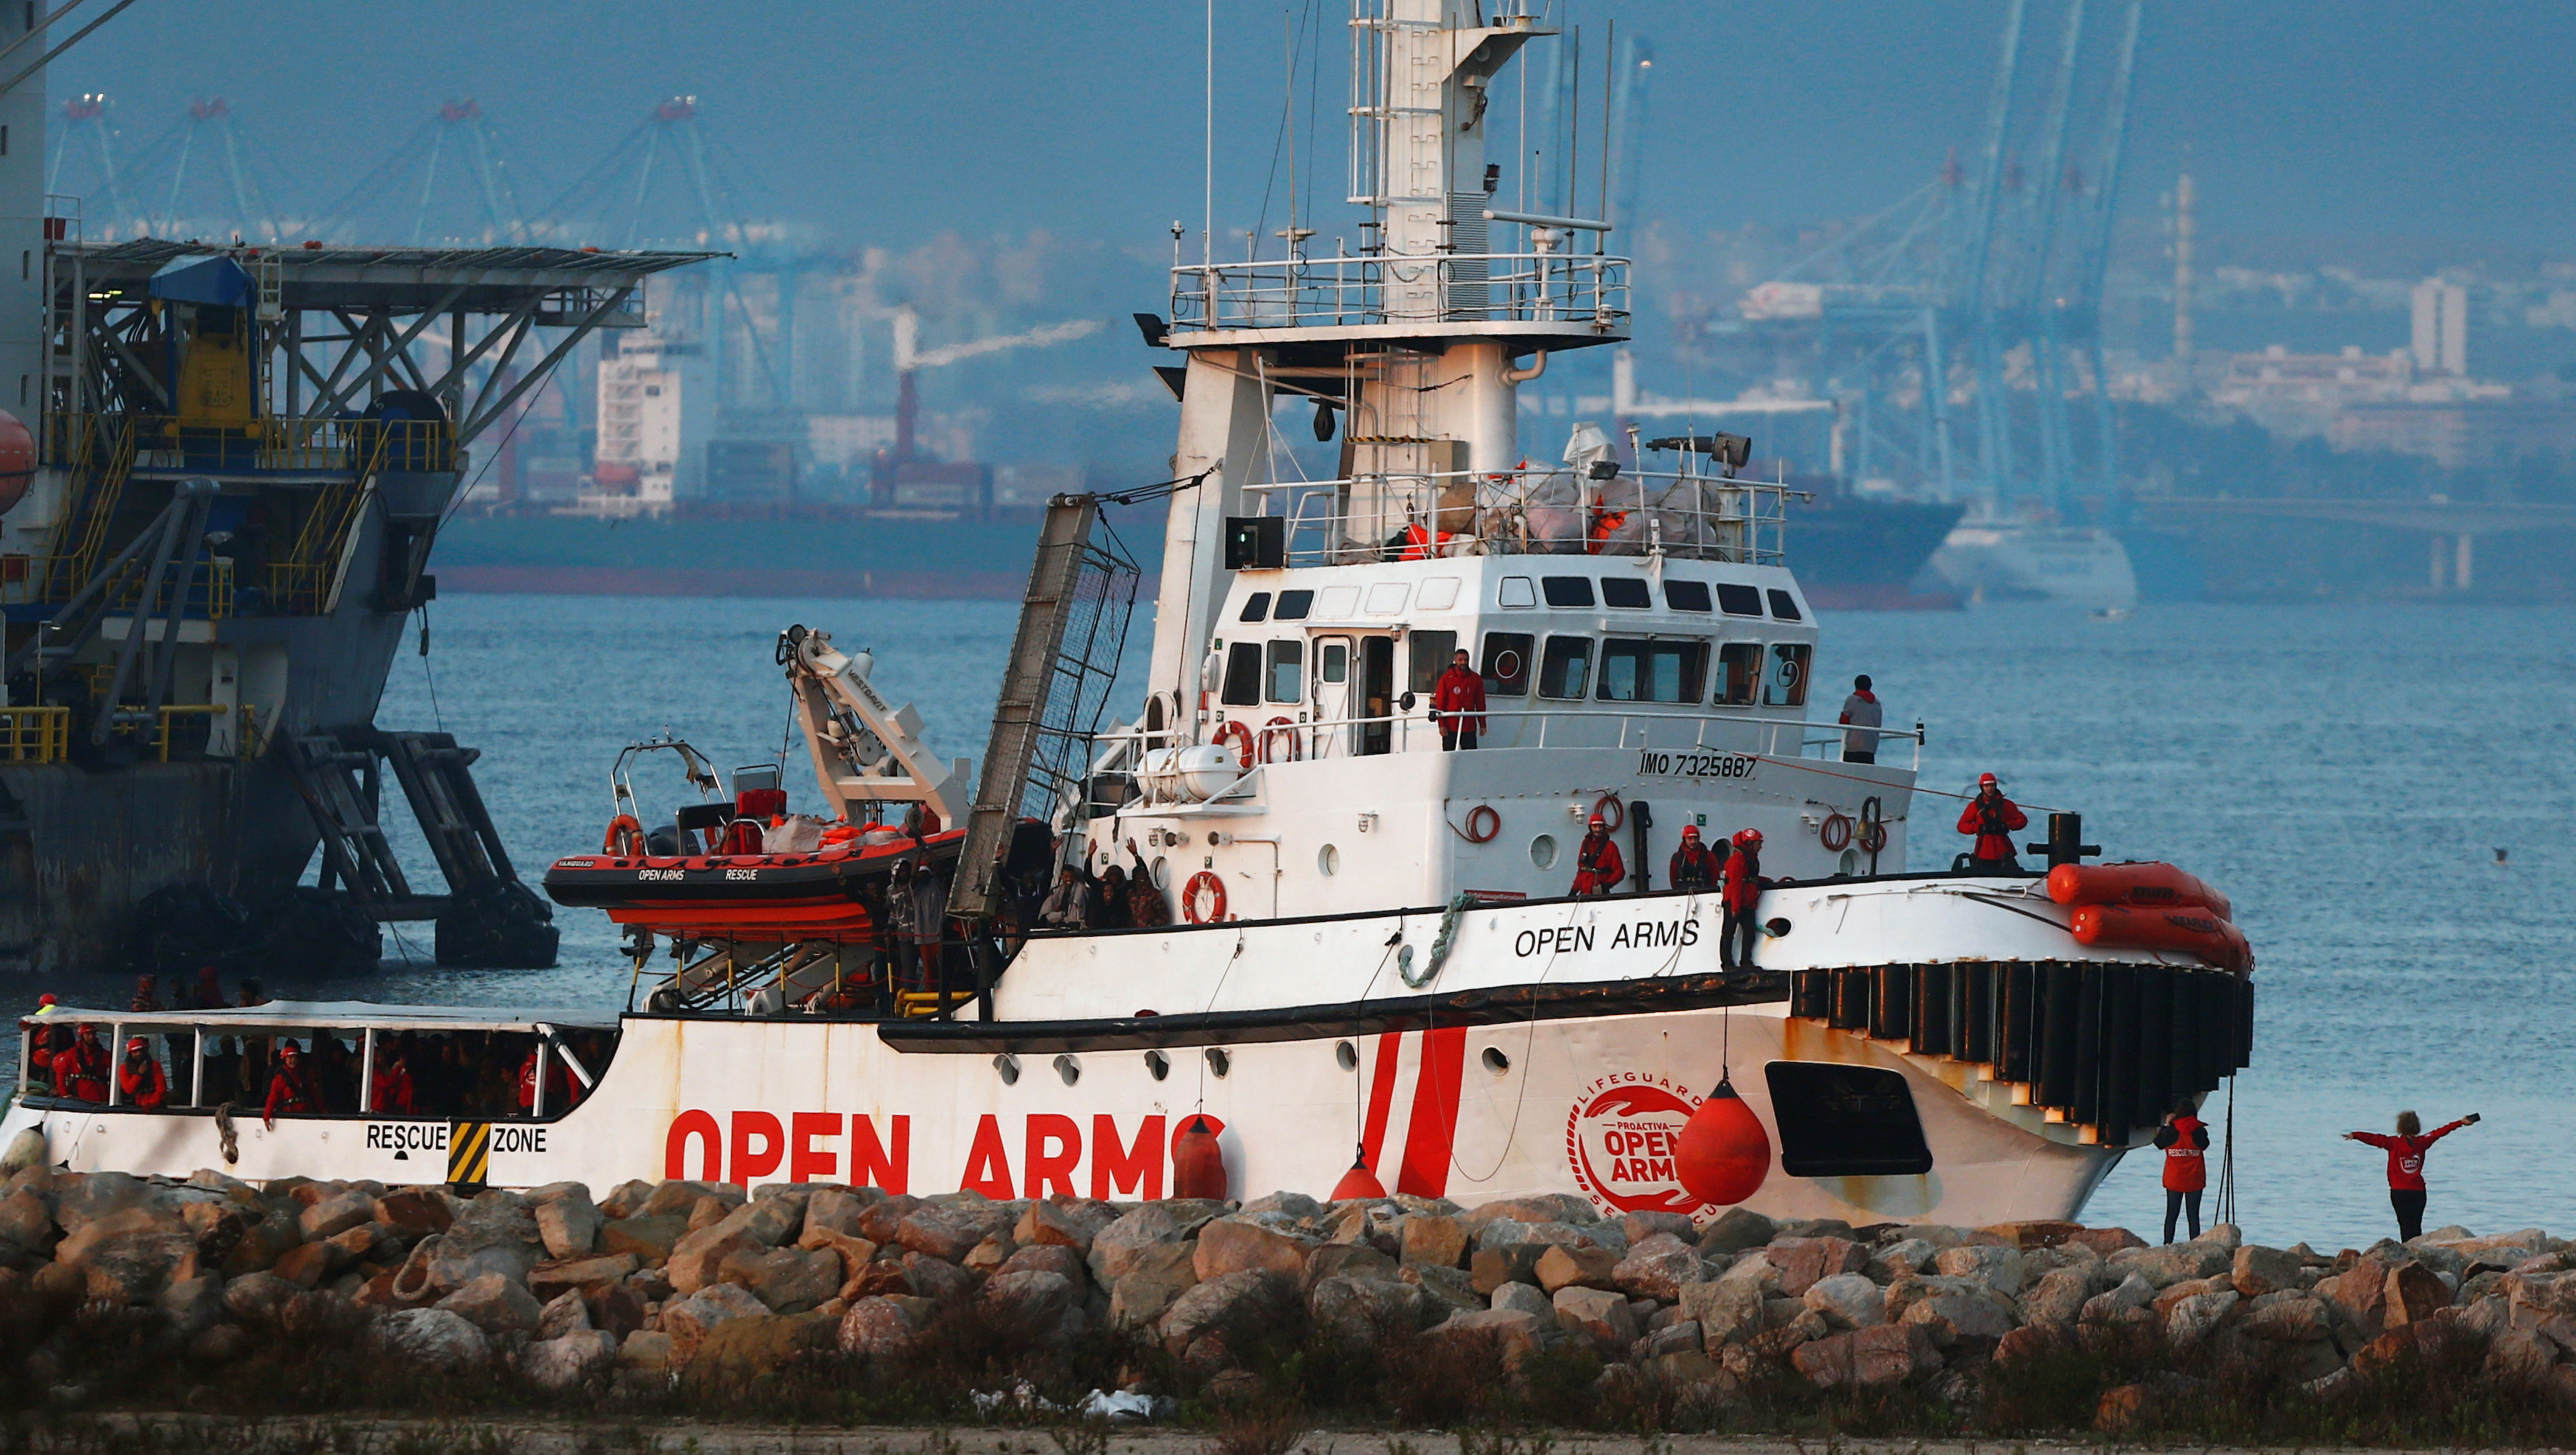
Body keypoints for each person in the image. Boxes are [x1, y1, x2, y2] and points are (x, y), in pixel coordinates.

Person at [2345, 1109, 2479, 1241]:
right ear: (2417, 1127)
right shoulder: (2423, 1141)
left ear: (2400, 1127)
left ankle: (2408, 1254)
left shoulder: (2393, 1143)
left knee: (2404, 1226)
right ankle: (2416, 1253)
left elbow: (2374, 1139)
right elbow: (2440, 1132)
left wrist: (2356, 1135)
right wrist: (2460, 1122)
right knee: (2416, 1227)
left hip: (2399, 1192)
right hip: (2418, 1192)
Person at [2152, 1100, 2210, 1242]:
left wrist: (2166, 1125)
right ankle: (2195, 1244)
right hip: (2195, 1178)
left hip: (2174, 1178)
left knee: (2172, 1214)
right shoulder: (2199, 1131)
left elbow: (2159, 1143)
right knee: (2193, 1216)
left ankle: (2167, 1244)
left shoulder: (2171, 1131)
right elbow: (2205, 1145)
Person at [1956, 772, 2028, 872]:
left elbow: (2022, 820)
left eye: (1992, 785)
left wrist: (2007, 825)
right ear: (1982, 787)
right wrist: (1979, 828)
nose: (1990, 788)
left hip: (2004, 850)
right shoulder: (1974, 806)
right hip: (1983, 851)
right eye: (1986, 786)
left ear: (1996, 786)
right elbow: (1961, 826)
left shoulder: (2006, 804)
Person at [1720, 829, 1767, 971]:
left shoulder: (1750, 858)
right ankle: (1727, 964)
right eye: (1759, 843)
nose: (1761, 847)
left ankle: (1746, 961)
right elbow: (1735, 883)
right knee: (1729, 932)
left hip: (1746, 901)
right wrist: (1735, 907)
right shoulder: (1738, 859)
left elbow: (1750, 879)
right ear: (1751, 843)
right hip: (1736, 901)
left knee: (1749, 932)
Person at [1431, 649, 1487, 751]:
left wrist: (1482, 724)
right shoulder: (1446, 679)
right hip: (1450, 726)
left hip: (1469, 726)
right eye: (1460, 660)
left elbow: (1480, 702)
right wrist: (1442, 724)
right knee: (1449, 756)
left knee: (1470, 756)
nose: (1463, 663)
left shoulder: (1475, 679)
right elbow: (1440, 703)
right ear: (1455, 661)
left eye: (1466, 660)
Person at [262, 1041, 323, 1129]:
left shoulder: (304, 1076)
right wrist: (267, 1116)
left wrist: (323, 1112)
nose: (293, 1060)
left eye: (295, 1057)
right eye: (290, 1058)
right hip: (288, 1117)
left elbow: (314, 1095)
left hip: (306, 1116)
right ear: (285, 1060)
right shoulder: (279, 1079)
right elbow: (273, 1097)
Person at [1571, 813, 1625, 896]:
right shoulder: (1586, 844)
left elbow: (1619, 871)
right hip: (1584, 893)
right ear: (1590, 828)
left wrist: (1607, 885)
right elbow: (1581, 870)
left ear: (1604, 828)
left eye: (1600, 827)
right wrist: (1573, 891)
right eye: (1595, 827)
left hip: (1601, 893)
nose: (1598, 829)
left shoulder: (1610, 846)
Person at [55, 1022, 108, 1101]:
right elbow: (61, 1073)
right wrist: (65, 1094)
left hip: (100, 1095)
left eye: (93, 1034)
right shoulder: (72, 1053)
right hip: (78, 1094)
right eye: (88, 1034)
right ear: (82, 1036)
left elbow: (116, 1072)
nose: (91, 1037)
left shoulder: (104, 1054)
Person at [1838, 675, 1884, 765]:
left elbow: (1843, 721)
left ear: (1855, 685)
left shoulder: (1852, 700)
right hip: (1871, 747)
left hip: (1854, 745)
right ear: (1870, 686)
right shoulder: (1877, 703)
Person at [117, 1038, 169, 1110]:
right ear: (130, 1053)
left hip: (154, 1105)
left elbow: (161, 1087)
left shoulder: (154, 1065)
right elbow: (128, 1089)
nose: (139, 1054)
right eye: (135, 1052)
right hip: (134, 1104)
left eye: (140, 1051)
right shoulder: (124, 1068)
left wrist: (152, 1103)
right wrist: (139, 1075)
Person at [1038, 865, 1094, 930]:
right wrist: (1062, 914)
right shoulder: (1056, 892)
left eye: (1071, 876)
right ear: (1062, 877)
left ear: (1074, 877)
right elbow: (1048, 913)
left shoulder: (1082, 890)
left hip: (1077, 925)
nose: (1069, 879)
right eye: (1066, 877)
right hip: (1060, 925)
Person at [1669, 824, 1720, 893]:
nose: (1693, 841)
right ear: (1684, 839)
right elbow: (1673, 879)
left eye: (1695, 838)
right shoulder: (1677, 858)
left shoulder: (1709, 856)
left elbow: (1715, 877)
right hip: (1682, 894)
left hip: (1705, 894)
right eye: (1690, 839)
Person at [371, 1037, 416, 1115]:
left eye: (383, 1056)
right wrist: (398, 1067)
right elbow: (387, 1083)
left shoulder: (384, 1070)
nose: (383, 1059)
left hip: (387, 1107)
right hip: (376, 1109)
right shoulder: (373, 1072)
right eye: (380, 1056)